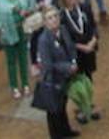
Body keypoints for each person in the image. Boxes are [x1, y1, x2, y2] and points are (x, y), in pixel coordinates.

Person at [32, 7, 79, 139]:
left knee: (63, 106)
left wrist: (74, 61)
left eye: (55, 16)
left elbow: (71, 47)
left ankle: (66, 131)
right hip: (53, 80)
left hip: (66, 77)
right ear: (45, 22)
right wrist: (67, 67)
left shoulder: (63, 30)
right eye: (49, 18)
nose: (53, 20)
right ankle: (56, 135)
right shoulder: (44, 40)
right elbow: (48, 65)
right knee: (54, 111)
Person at [56, 0, 100, 125]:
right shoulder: (62, 16)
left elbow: (93, 26)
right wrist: (82, 47)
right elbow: (65, 39)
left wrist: (93, 42)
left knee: (88, 78)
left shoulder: (85, 8)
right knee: (77, 81)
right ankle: (81, 107)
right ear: (64, 0)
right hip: (76, 53)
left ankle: (89, 103)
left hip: (89, 50)